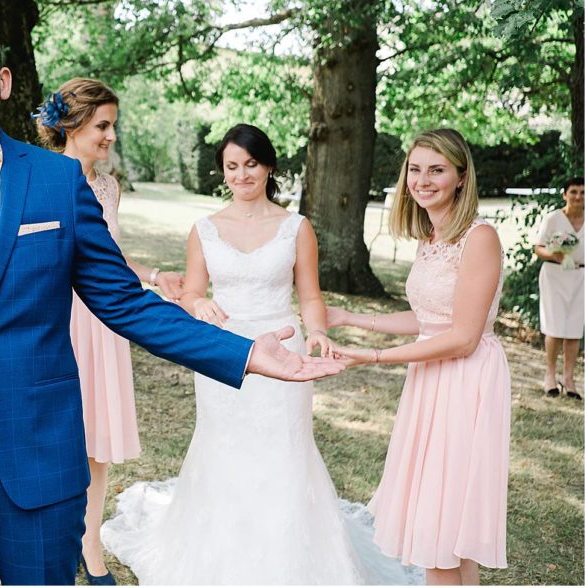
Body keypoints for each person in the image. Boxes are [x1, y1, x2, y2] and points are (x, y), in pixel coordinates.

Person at [0, 11, 345, 586]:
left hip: (41, 463)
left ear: (1, 80)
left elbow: (126, 303)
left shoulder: (58, 182)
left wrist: (243, 352)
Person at [101, 124, 420, 585]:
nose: (242, 175)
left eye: (250, 164)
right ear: (223, 173)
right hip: (222, 352)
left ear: (268, 166)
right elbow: (191, 292)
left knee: (284, 448)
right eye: (232, 166)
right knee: (222, 443)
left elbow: (310, 295)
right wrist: (197, 303)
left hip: (285, 353)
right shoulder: (204, 229)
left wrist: (316, 331)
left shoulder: (296, 227)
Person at [329, 128, 511, 585]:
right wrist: (350, 317)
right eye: (415, 169)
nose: (423, 180)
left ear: (461, 177)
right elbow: (427, 317)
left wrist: (371, 357)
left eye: (437, 170)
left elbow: (464, 337)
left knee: (441, 531)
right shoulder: (432, 235)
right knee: (445, 533)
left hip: (464, 382)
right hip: (430, 379)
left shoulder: (479, 237)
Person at [33, 77, 184, 585]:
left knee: (97, 443)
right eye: (103, 125)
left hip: (102, 324)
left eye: (113, 126)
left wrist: (154, 277)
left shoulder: (107, 187)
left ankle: (89, 543)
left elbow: (108, 254)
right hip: (54, 321)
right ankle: (50, 540)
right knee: (54, 440)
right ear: (71, 124)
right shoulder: (37, 178)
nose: (110, 136)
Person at [534, 177, 584, 399]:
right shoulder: (553, 218)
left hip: (580, 276)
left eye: (583, 192)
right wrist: (553, 253)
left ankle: (569, 378)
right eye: (573, 192)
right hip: (554, 274)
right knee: (554, 327)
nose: (578, 197)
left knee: (574, 327)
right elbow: (538, 247)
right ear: (565, 194)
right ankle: (550, 375)